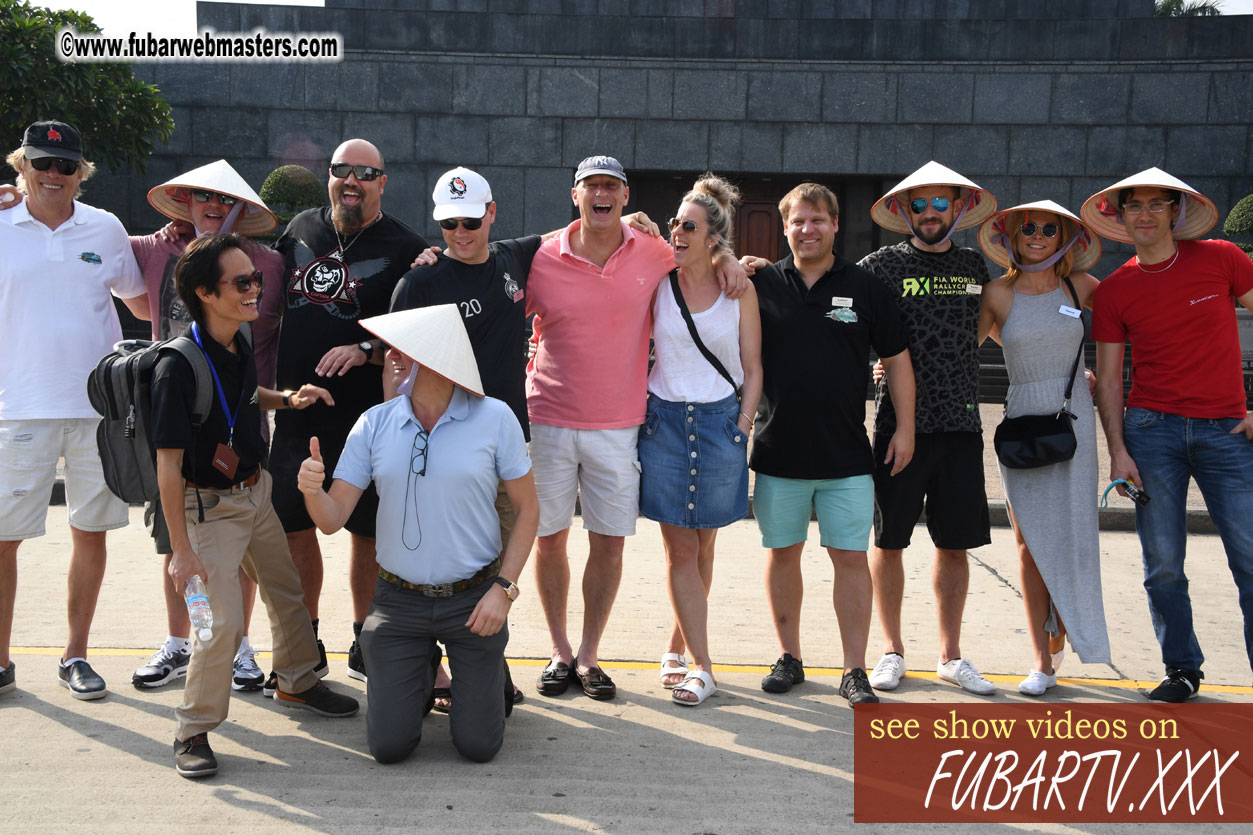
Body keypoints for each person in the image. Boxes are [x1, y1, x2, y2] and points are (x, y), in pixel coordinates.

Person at [526, 155, 747, 701]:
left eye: (611, 186)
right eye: (591, 186)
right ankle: (559, 651)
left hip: (620, 425)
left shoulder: (655, 251)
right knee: (549, 541)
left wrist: (733, 261)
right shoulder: (541, 256)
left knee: (608, 546)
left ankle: (589, 655)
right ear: (574, 195)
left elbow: (703, 252)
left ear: (625, 196)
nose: (601, 194)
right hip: (548, 418)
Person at [150, 233, 358, 778]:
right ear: (205, 293)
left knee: (287, 591)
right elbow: (167, 466)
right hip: (206, 509)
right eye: (241, 282)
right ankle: (192, 730)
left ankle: (297, 683)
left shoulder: (237, 338)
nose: (255, 291)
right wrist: (181, 552)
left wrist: (286, 397)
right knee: (218, 623)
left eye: (257, 279)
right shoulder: (177, 366)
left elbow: (244, 396)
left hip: (254, 490)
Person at [298, 305, 538, 763]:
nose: (391, 356)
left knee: (478, 746)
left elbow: (528, 510)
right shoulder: (374, 423)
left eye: (403, 349)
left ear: (439, 358)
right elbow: (331, 519)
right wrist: (312, 490)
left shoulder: (495, 418)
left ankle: (483, 670)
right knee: (389, 748)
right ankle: (420, 673)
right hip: (398, 602)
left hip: (474, 600)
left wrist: (503, 591)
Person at [1083, 168, 1253, 702]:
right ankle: (1182, 668)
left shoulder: (1222, 258)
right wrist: (1117, 452)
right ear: (1120, 215)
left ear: (1176, 212)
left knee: (1250, 558)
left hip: (1228, 431)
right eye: (1135, 205)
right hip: (1151, 432)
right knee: (1162, 565)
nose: (1146, 214)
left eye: (1158, 204)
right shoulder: (1116, 290)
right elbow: (1110, 379)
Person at [743, 182, 915, 707]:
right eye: (798, 220)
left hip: (846, 458)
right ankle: (789, 657)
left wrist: (905, 428)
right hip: (779, 452)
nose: (808, 229)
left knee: (850, 559)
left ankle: (853, 669)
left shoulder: (865, 286)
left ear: (836, 225)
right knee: (782, 554)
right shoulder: (760, 283)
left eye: (818, 220)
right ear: (784, 227)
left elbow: (898, 362)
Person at [270, 138, 428, 687]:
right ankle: (304, 640)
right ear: (330, 177)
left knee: (368, 534)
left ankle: (367, 639)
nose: (352, 180)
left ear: (383, 182)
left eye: (365, 171)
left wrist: (365, 348)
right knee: (293, 526)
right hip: (297, 411)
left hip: (367, 419)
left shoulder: (406, 246)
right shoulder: (299, 230)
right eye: (342, 170)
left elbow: (418, 334)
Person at [0, 120, 149, 700]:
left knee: (90, 533)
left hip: (97, 410)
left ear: (80, 173)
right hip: (17, 408)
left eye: (65, 166)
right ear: (22, 166)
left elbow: (142, 300)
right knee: (4, 541)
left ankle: (76, 655)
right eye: (42, 163)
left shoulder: (105, 227)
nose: (53, 174)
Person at [130, 160, 284, 692]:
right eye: (202, 196)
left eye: (225, 199)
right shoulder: (154, 249)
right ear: (184, 203)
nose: (213, 206)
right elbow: (85, 236)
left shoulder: (269, 264)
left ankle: (238, 645)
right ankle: (180, 642)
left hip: (241, 430)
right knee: (177, 546)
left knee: (238, 551)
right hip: (178, 425)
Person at [390, 166, 537, 708]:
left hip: (504, 446)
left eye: (470, 221)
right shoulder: (420, 283)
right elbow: (396, 367)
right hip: (444, 448)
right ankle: (434, 672)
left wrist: (634, 221)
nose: (459, 233)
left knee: (497, 564)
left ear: (492, 213)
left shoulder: (514, 258)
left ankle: (486, 666)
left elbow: (571, 235)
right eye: (449, 224)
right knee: (442, 564)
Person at [859, 161, 1000, 696]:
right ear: (904, 210)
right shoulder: (880, 266)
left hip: (960, 425)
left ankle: (950, 655)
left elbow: (990, 325)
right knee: (889, 540)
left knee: (955, 544)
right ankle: (891, 650)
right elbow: (836, 304)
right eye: (920, 204)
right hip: (898, 427)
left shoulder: (974, 265)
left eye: (941, 202)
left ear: (959, 208)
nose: (930, 212)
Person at [976, 200, 1112, 695]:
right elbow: (956, 350)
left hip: (1073, 419)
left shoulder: (1083, 287)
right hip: (1022, 421)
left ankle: (1069, 625)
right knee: (1029, 543)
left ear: (1064, 239)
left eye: (1048, 230)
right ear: (1013, 236)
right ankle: (1042, 660)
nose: (1037, 235)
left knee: (1073, 539)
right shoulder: (997, 293)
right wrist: (889, 365)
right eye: (1028, 228)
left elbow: (1136, 320)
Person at [638, 174, 762, 707]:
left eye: (689, 227)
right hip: (664, 424)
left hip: (719, 426)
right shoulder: (657, 279)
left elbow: (754, 368)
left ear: (714, 238)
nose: (677, 232)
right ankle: (703, 667)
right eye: (675, 223)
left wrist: (742, 427)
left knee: (704, 544)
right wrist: (635, 223)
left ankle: (677, 643)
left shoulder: (739, 288)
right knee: (680, 548)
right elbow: (617, 239)